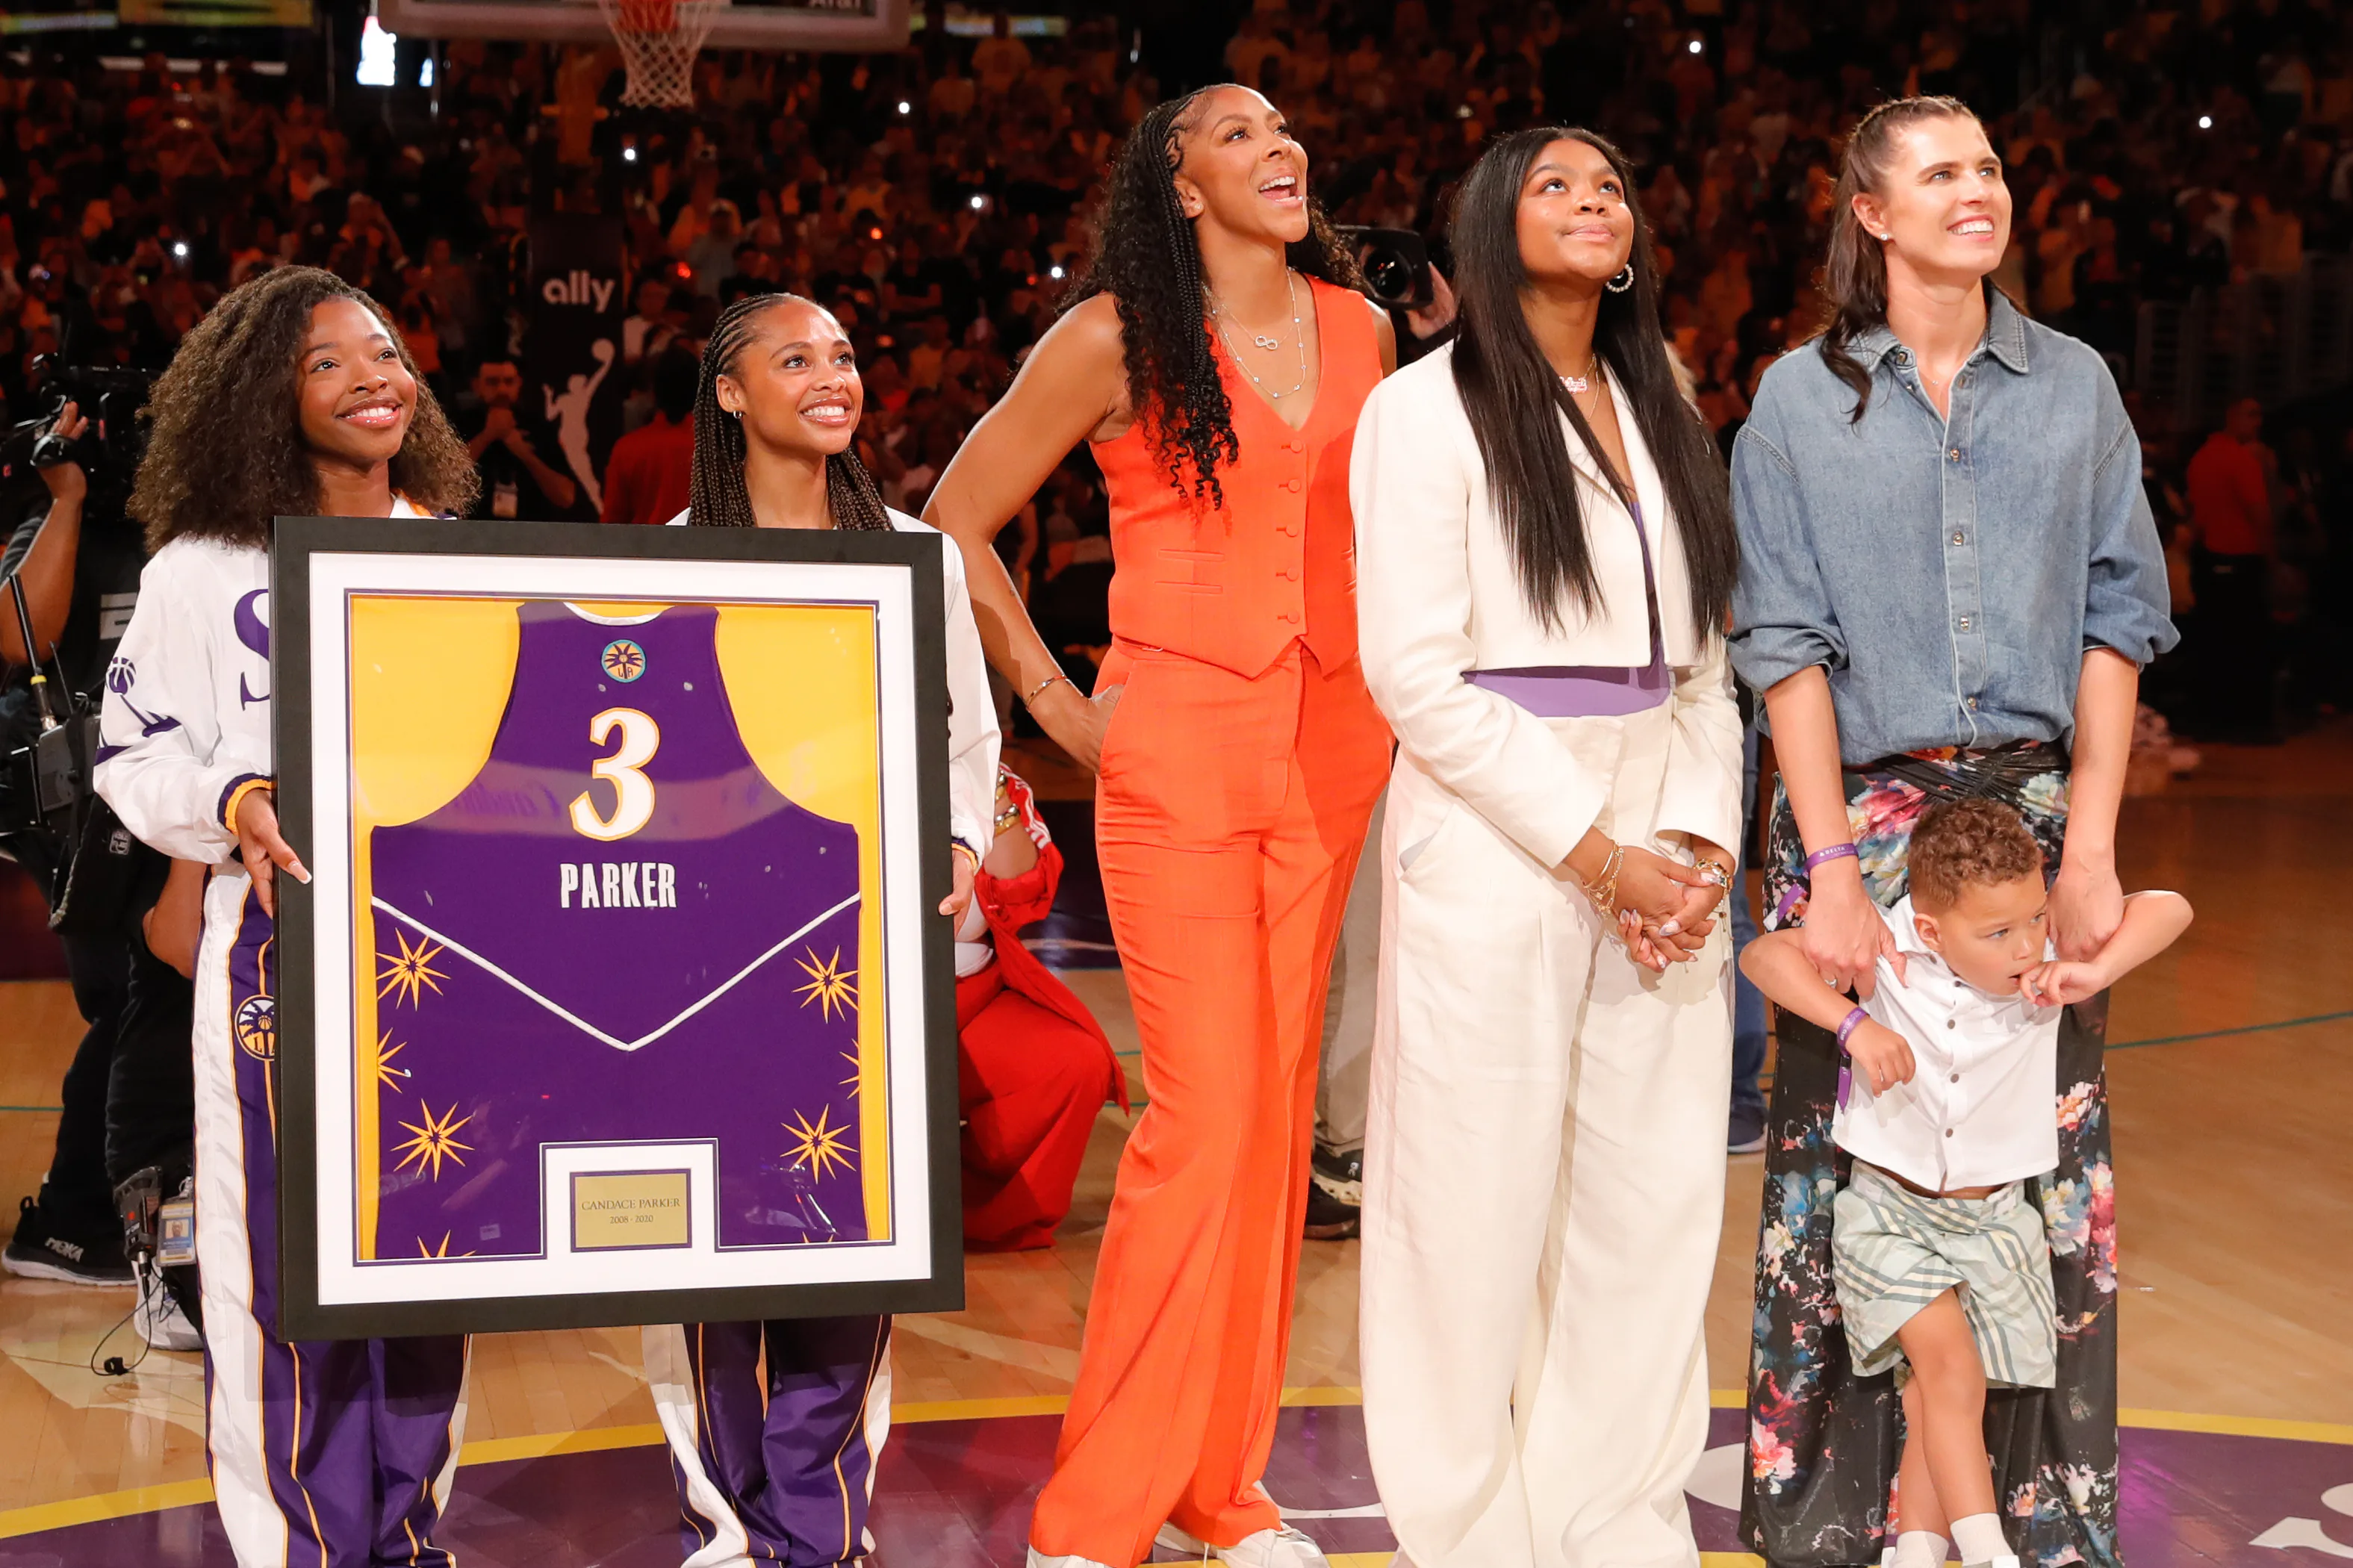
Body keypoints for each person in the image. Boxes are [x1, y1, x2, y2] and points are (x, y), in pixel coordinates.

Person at [926, 85, 1396, 1568]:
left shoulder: (1365, 330)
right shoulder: (1113, 336)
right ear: (1180, 184)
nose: (1281, 150)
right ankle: (1098, 1514)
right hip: (1176, 757)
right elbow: (951, 518)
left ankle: (1222, 1491)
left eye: (1286, 131)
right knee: (1199, 1127)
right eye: (1241, 135)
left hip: (1333, 757)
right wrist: (1064, 715)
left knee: (1269, 1133)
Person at [1729, 97, 2176, 1568]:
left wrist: (2095, 846)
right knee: (1845, 1171)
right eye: (1940, 171)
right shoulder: (1796, 399)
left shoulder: (2076, 387)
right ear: (1869, 211)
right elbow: (1784, 648)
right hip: (1852, 827)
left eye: (1986, 167)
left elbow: (2117, 624)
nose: (1975, 189)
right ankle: (1836, 1525)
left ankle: (2020, 1524)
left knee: (2031, 1175)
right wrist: (1835, 874)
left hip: (2037, 829)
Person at [1350, 125, 1743, 1568]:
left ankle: (1614, 1514)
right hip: (1495, 818)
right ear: (1484, 225)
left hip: (1663, 812)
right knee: (1469, 1195)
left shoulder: (1666, 406)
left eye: (1612, 186)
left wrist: (1690, 845)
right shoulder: (1421, 410)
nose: (1593, 201)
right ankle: (1465, 1532)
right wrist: (1594, 850)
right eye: (1553, 184)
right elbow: (1414, 673)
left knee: (1649, 1201)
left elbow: (1702, 669)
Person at [95, 265, 479, 1567]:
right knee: (281, 1265)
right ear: (270, 395)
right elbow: (129, 758)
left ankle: (408, 1530)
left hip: (452, 953)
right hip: (282, 945)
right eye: (331, 361)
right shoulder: (200, 571)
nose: (376, 373)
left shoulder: (450, 551)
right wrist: (236, 792)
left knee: (434, 1253)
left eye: (385, 349)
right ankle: (303, 1547)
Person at [645, 290, 1000, 1566]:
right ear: (730, 394)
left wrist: (956, 839)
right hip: (706, 951)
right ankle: (728, 1519)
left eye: (843, 356)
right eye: (793, 359)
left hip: (864, 950)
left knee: (855, 1237)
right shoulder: (675, 552)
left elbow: (963, 729)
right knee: (713, 1240)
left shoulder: (920, 553)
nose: (830, 377)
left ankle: (822, 1521)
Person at [1741, 800, 2190, 1568]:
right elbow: (1761, 959)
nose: (2024, 944)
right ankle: (1989, 1554)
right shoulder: (1888, 958)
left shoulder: (2045, 972)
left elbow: (2168, 906)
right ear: (1929, 929)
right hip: (1887, 1220)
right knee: (1948, 1368)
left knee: (1937, 1396)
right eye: (1997, 933)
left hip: (1997, 1227)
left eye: (2034, 919)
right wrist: (1852, 1025)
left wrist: (2092, 967)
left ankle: (1911, 1555)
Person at [957, 764, 1124, 1251]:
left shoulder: (987, 770)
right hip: (839, 1002)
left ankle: (973, 1214)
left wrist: (987, 791)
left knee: (1070, 1063)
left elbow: (1025, 895)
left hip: (968, 996)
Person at [2183, 396, 2278, 741]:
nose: (2258, 423)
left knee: (2214, 643)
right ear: (2232, 417)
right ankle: (2246, 723)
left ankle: (2212, 717)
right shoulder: (2242, 460)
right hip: (2241, 559)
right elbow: (2260, 514)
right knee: (2247, 645)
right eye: (2251, 415)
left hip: (2208, 561)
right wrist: (2273, 560)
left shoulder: (2201, 458)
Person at [460, 355, 577, 520]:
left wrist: (524, 453)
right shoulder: (459, 424)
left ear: (519, 384)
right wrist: (487, 436)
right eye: (493, 382)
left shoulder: (539, 428)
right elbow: (439, 483)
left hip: (531, 532)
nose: (502, 390)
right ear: (476, 386)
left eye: (508, 382)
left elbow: (566, 497)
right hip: (472, 532)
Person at [600, 345, 697, 525]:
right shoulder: (719, 447)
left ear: (654, 392)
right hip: (706, 551)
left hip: (643, 551)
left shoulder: (628, 449)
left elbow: (612, 525)